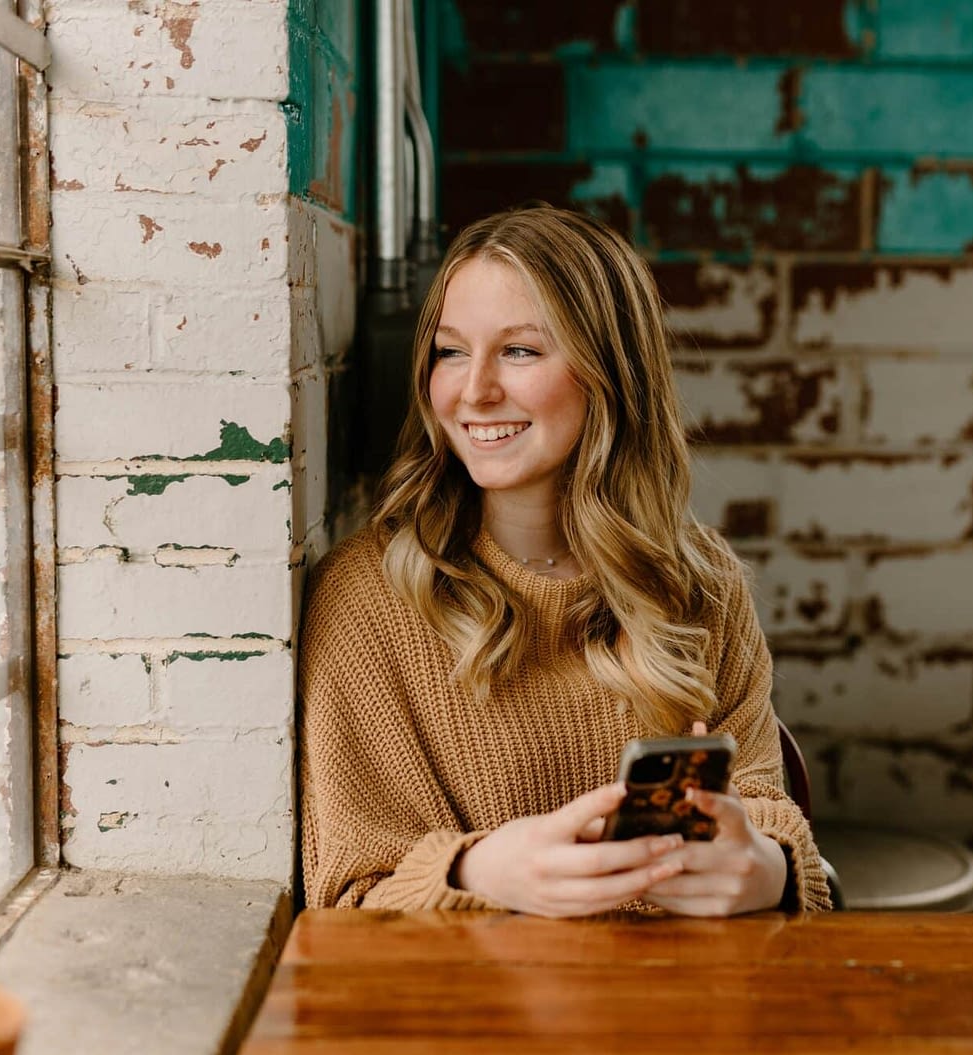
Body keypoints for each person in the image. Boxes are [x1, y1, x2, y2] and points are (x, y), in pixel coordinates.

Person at [298, 206, 831, 917]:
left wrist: (768, 869)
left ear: (608, 372)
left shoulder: (701, 582)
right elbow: (347, 897)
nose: (475, 390)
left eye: (519, 351)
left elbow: (765, 813)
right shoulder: (365, 599)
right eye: (451, 352)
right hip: (473, 1018)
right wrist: (477, 870)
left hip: (679, 1010)